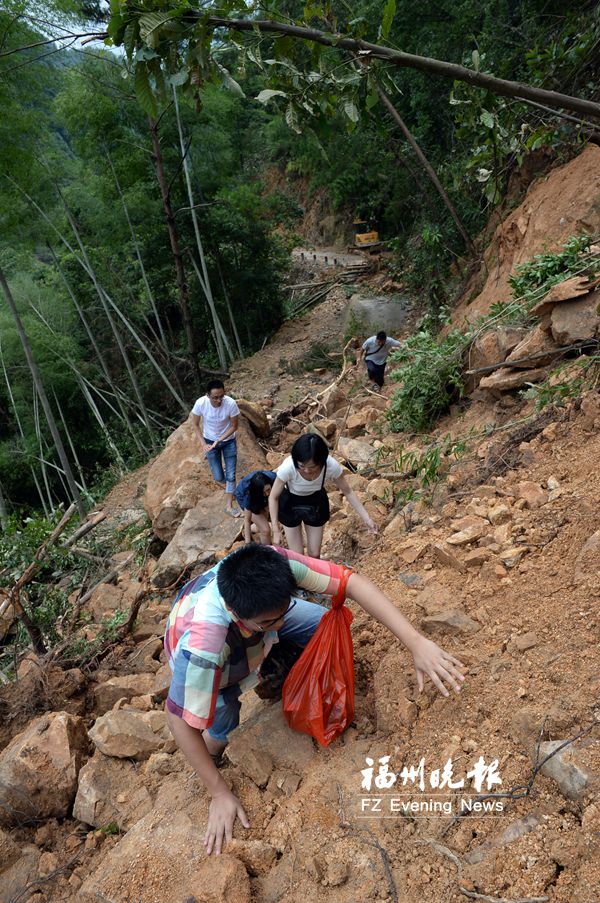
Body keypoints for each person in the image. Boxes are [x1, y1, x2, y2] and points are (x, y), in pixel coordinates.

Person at [164, 543, 465, 856]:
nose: (280, 622)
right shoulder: (203, 648)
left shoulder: (274, 563)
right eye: (271, 622)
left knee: (325, 625)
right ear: (237, 613)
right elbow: (177, 720)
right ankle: (213, 750)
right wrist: (219, 793)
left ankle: (278, 663)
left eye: (284, 611)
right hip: (217, 663)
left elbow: (352, 583)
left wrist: (416, 643)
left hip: (247, 629)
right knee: (223, 722)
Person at [269, 433, 377, 558]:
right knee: (297, 555)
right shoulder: (288, 467)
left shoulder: (331, 466)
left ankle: (315, 576)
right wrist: (276, 530)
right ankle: (301, 577)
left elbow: (347, 491)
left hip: (315, 501)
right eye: (302, 466)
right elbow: (273, 497)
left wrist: (367, 518)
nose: (307, 471)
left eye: (312, 467)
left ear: (321, 461)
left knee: (314, 554)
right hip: (289, 501)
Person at [191, 380, 241, 517]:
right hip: (209, 441)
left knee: (230, 475)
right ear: (208, 395)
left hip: (228, 441)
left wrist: (221, 439)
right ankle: (232, 490)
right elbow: (195, 424)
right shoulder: (201, 403)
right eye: (215, 397)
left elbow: (234, 426)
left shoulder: (230, 403)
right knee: (218, 476)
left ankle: (229, 506)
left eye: (221, 396)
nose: (219, 400)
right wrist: (203, 444)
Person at [235, 470, 277, 544]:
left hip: (259, 495)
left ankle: (250, 530)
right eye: (264, 492)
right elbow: (247, 520)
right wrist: (247, 543)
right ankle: (266, 552)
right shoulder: (249, 495)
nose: (267, 494)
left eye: (268, 490)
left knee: (264, 519)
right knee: (265, 530)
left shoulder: (274, 478)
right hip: (244, 495)